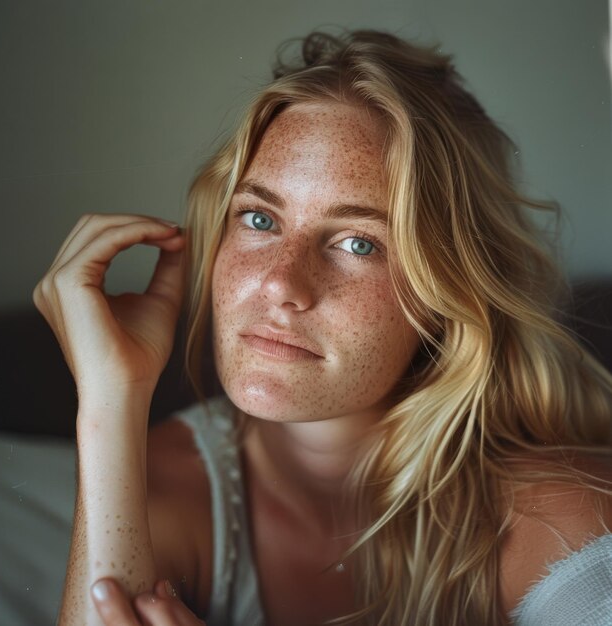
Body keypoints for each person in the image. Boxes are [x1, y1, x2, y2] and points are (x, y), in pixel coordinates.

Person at [33, 30, 612, 626]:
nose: (282, 283)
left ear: (448, 290)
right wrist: (109, 398)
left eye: (359, 242)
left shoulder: (559, 519)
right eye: (259, 217)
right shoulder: (163, 487)